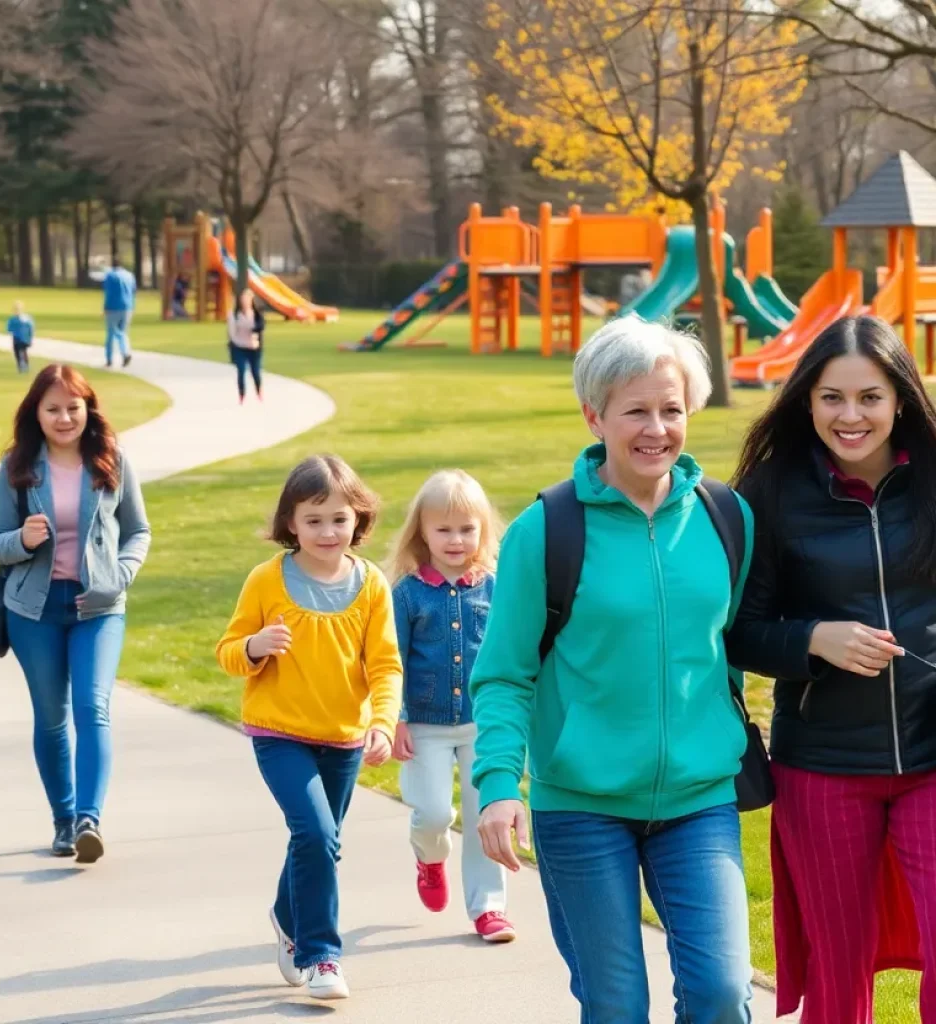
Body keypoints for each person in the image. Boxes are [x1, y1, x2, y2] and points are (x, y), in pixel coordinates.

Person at [470, 316, 755, 1024]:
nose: (656, 428)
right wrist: (499, 784)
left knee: (722, 994)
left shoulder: (727, 517)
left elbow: (731, 647)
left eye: (671, 409)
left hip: (700, 798)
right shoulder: (546, 529)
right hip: (581, 804)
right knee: (616, 1004)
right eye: (636, 410)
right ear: (594, 414)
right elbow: (504, 673)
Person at [728, 314, 936, 1024]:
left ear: (901, 397)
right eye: (831, 398)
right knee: (838, 966)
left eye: (870, 397)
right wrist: (814, 639)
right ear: (806, 401)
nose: (851, 416)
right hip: (821, 768)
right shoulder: (769, 493)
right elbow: (737, 634)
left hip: (933, 755)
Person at [215, 455, 402, 1001]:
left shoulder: (371, 585)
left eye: (339, 519)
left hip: (344, 738)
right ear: (290, 523)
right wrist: (254, 647)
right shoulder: (265, 580)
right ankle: (321, 955)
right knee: (316, 834)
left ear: (358, 521)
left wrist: (383, 724)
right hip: (279, 733)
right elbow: (227, 651)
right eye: (313, 519)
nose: (327, 531)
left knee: (320, 842)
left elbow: (386, 666)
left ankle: (284, 915)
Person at [0, 364, 151, 863]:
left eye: (73, 408)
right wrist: (23, 540)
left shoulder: (112, 460)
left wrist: (118, 576)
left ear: (88, 409)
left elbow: (138, 530)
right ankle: (62, 820)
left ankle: (87, 819)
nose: (64, 418)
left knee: (92, 708)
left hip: (98, 608)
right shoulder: (17, 466)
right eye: (53, 408)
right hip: (33, 612)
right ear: (36, 412)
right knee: (52, 719)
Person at [387, 470, 516, 942]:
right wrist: (394, 718)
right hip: (424, 725)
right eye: (443, 529)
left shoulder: (496, 588)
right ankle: (429, 857)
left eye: (467, 528)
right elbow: (392, 659)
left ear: (483, 529)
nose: (456, 539)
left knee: (487, 813)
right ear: (421, 532)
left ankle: (489, 908)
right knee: (434, 814)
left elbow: (511, 652)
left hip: (484, 724)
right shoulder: (406, 593)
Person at [227, 288, 266, 403]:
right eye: (243, 300)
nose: (245, 302)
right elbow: (232, 332)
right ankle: (241, 396)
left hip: (254, 348)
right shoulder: (234, 315)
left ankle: (259, 392)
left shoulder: (256, 314)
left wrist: (253, 330)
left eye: (247, 300)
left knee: (255, 372)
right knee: (241, 371)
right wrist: (236, 343)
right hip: (240, 347)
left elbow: (261, 327)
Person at [103, 256, 136, 368]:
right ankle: (125, 352)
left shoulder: (110, 275)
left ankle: (109, 359)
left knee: (111, 334)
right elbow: (133, 291)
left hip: (113, 306)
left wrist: (105, 307)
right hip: (127, 307)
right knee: (123, 332)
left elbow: (108, 293)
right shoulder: (129, 275)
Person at [7, 300, 35, 373]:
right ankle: (23, 367)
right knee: (20, 352)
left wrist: (30, 338)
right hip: (21, 338)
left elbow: (9, 329)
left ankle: (23, 367)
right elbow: (9, 329)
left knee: (21, 352)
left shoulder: (16, 319)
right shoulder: (17, 319)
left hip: (21, 338)